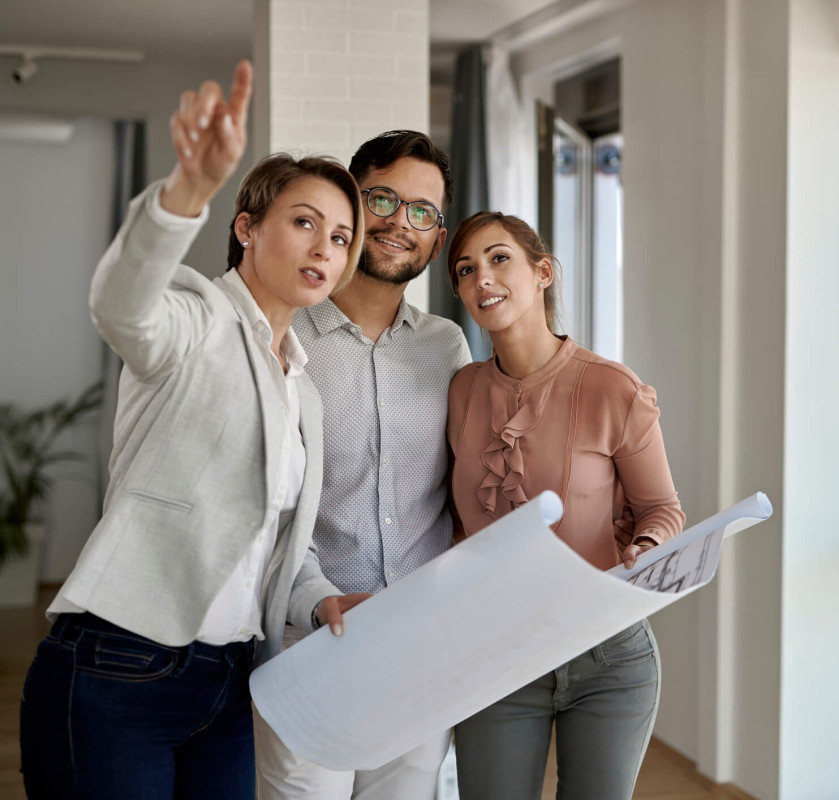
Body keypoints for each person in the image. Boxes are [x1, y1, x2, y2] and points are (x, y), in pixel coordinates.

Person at [19, 61, 370, 799]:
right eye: (304, 222)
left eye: (340, 238)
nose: (323, 249)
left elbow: (278, 538)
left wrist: (322, 598)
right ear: (246, 227)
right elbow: (123, 305)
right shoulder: (196, 316)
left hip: (228, 679)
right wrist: (187, 194)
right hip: (120, 664)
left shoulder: (301, 385)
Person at [253, 130, 471, 800]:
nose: (401, 223)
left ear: (437, 238)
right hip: (308, 648)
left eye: (423, 212)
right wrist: (318, 605)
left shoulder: (447, 346)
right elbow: (268, 507)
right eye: (382, 198)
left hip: (420, 653)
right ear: (351, 201)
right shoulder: (279, 337)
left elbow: (467, 492)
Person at [444, 211, 686, 799]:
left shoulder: (612, 387)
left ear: (542, 272)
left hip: (607, 656)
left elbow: (663, 508)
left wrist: (647, 548)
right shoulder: (461, 390)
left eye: (499, 258)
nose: (483, 278)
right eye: (466, 269)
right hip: (497, 653)